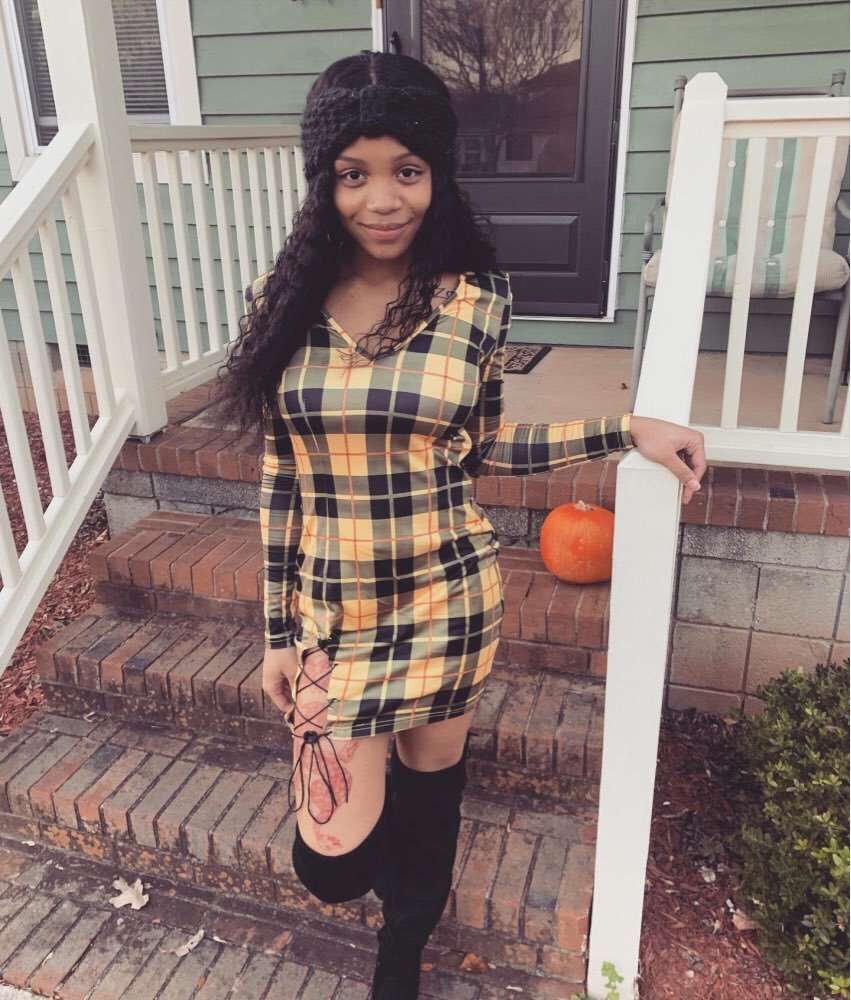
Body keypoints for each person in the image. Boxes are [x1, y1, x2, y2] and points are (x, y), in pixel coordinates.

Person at [213, 50, 706, 1000]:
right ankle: (388, 863)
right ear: (324, 183)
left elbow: (478, 447)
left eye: (406, 169)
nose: (382, 199)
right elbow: (281, 477)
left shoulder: (476, 298)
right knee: (329, 864)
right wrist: (277, 630)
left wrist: (623, 428)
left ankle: (402, 951)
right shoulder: (284, 304)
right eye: (353, 174)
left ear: (435, 173)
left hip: (447, 600)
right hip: (333, 619)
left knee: (433, 786)